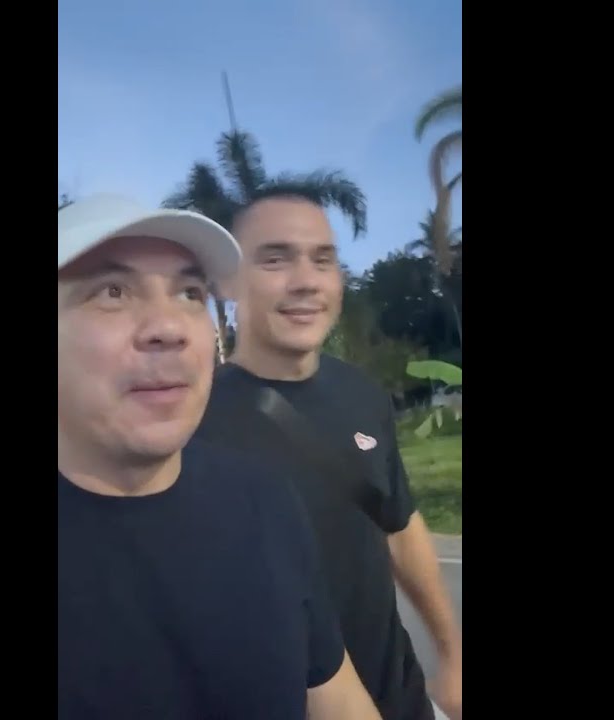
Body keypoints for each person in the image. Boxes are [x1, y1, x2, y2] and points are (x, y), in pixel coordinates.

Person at [57, 194, 382, 720]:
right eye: (112, 291)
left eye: (190, 293)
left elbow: (337, 699)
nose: (170, 327)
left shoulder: (264, 500)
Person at [195, 192, 463, 720]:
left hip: (401, 697)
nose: (307, 281)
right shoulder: (192, 424)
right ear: (227, 283)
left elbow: (399, 527)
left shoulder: (361, 392)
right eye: (275, 258)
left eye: (323, 259)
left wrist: (452, 654)